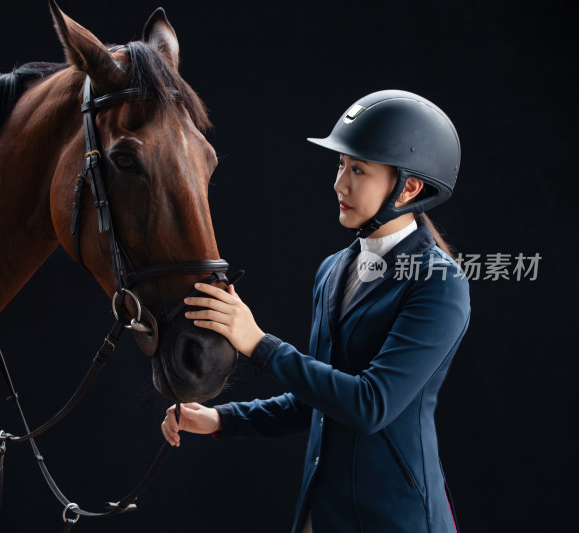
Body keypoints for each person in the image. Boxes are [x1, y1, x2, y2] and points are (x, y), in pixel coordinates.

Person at [160, 90, 470, 533]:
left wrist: (260, 345)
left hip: (395, 521)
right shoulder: (333, 271)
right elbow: (318, 401)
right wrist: (220, 418)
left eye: (358, 170)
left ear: (410, 187)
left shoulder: (440, 285)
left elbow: (369, 404)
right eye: (341, 165)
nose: (339, 184)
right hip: (320, 516)